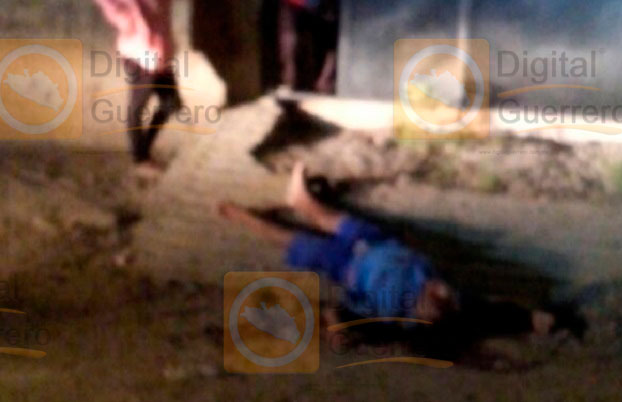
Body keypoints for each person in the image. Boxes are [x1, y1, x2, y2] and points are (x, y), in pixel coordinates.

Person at [218, 162, 557, 334]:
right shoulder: (450, 298)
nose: (441, 292)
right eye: (443, 295)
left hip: (347, 266)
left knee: (292, 242)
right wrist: (532, 319)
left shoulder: (392, 314)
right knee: (329, 218)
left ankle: (243, 217)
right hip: (376, 242)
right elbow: (494, 312)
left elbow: (346, 318)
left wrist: (333, 323)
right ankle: (302, 201)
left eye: (437, 301)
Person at [93, 0, 182, 175]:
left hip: (159, 53)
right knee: (137, 108)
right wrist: (126, 18)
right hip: (139, 52)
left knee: (171, 104)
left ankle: (144, 151)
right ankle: (140, 159)